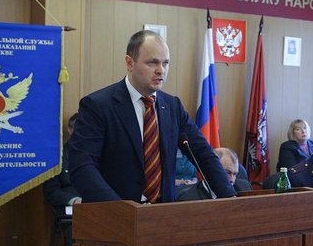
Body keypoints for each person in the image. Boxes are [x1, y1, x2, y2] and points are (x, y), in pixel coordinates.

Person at [69, 30, 235, 203]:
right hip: (115, 212)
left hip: (162, 213)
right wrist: (121, 210)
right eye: (152, 63)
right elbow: (82, 166)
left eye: (165, 63)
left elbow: (204, 155)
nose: (161, 70)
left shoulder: (173, 107)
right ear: (129, 63)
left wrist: (231, 199)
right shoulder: (98, 106)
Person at [43, 112, 81, 239]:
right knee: (76, 234)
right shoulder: (56, 158)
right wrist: (74, 200)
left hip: (98, 208)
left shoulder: (99, 153)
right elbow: (51, 191)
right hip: (71, 211)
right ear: (70, 129)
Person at [177, 147, 251, 200]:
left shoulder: (244, 188)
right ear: (211, 169)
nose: (232, 180)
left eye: (235, 174)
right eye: (227, 172)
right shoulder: (188, 198)